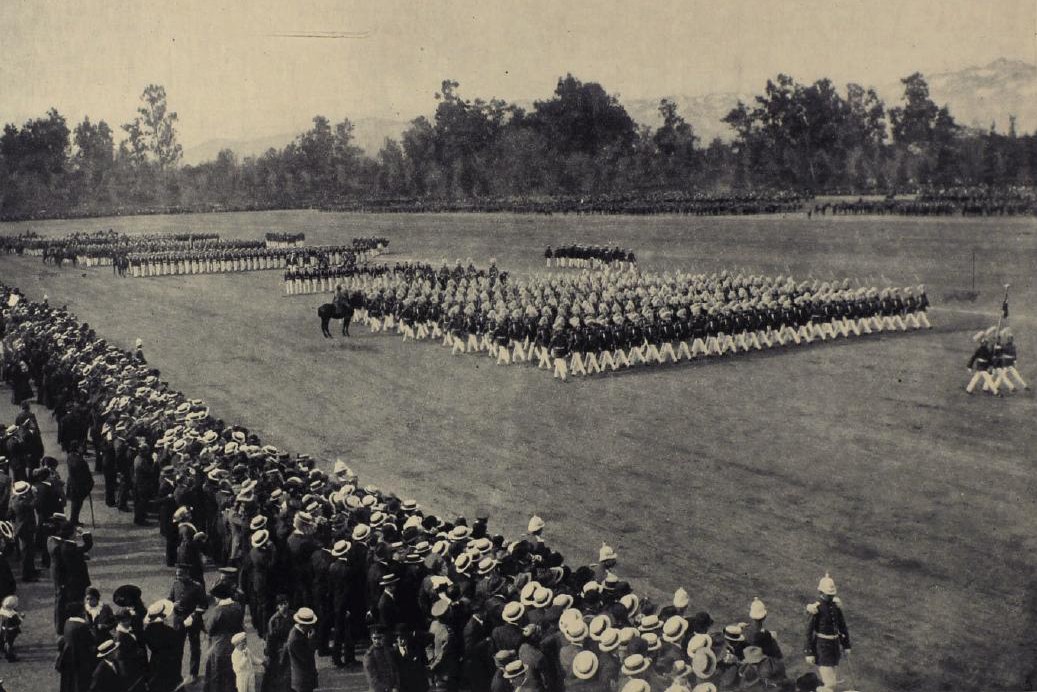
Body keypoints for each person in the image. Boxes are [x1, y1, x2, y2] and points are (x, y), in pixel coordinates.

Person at [804, 573, 850, 692]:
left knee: (831, 679)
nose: (831, 597)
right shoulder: (816, 608)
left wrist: (846, 645)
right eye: (828, 595)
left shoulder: (835, 606)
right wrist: (808, 652)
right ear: (821, 593)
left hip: (834, 648)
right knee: (830, 684)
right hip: (822, 648)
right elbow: (808, 632)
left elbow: (842, 626)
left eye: (832, 594)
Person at [203, 581, 246, 692]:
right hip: (235, 645)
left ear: (219, 597)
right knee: (232, 676)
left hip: (219, 647)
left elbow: (209, 629)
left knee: (218, 677)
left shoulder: (217, 611)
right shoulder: (237, 607)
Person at [144, 599, 186, 692]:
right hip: (169, 664)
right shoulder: (169, 631)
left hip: (155, 662)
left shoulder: (147, 631)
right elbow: (178, 645)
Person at [58, 601, 97, 692]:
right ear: (80, 613)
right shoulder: (82, 626)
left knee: (69, 683)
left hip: (68, 658)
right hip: (80, 661)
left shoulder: (67, 623)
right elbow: (91, 642)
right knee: (80, 684)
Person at [287, 607, 319, 692]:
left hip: (304, 678)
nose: (311, 627)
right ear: (303, 624)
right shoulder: (295, 639)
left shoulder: (300, 633)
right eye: (310, 625)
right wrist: (311, 641)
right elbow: (307, 657)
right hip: (302, 680)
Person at [363, 624, 400, 692]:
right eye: (374, 638)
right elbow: (372, 679)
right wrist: (387, 689)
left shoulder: (389, 651)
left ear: (384, 637)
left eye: (379, 638)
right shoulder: (369, 655)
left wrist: (396, 686)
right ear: (371, 638)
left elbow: (395, 670)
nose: (377, 641)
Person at [0, 595, 22, 661]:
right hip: (11, 631)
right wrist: (22, 617)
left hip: (3, 629)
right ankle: (9, 657)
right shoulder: (13, 614)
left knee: (2, 641)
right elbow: (18, 622)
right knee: (10, 643)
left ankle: (2, 651)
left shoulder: (2, 610)